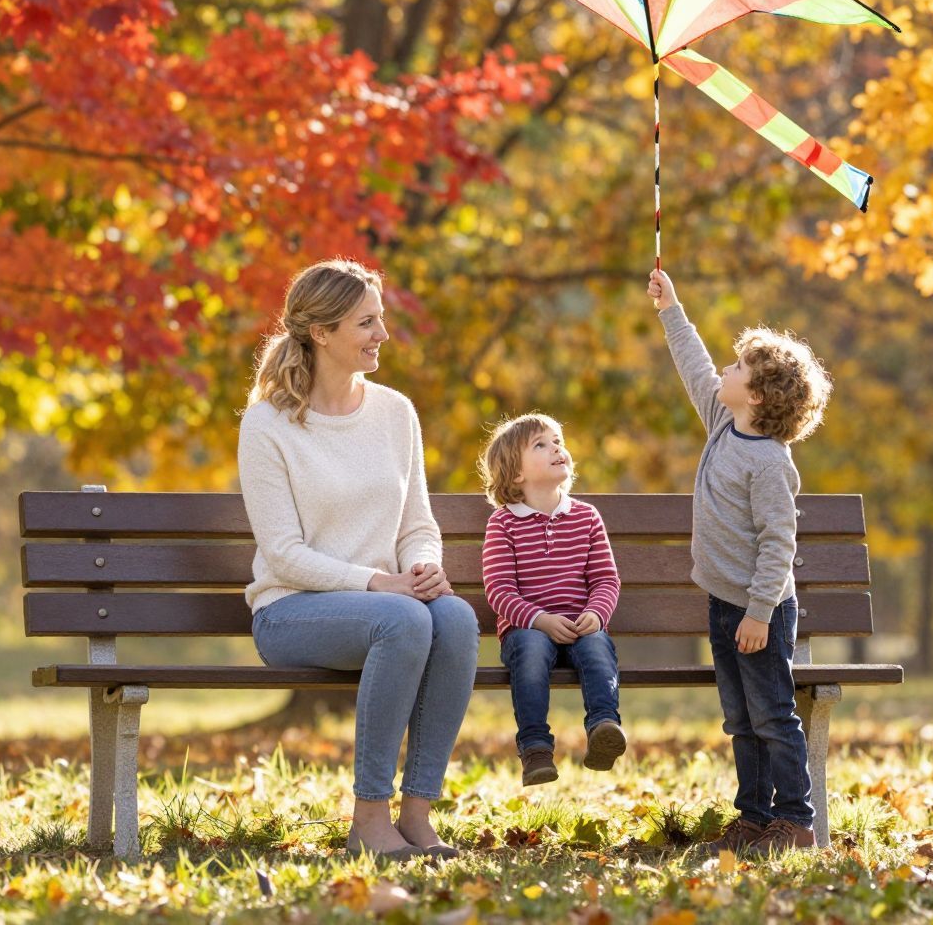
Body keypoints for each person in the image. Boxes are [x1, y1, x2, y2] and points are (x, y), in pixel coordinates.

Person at [238, 259, 477, 860]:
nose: (382, 335)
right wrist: (378, 583)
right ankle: (369, 817)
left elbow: (417, 524)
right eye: (366, 323)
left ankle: (417, 815)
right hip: (292, 612)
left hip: (389, 604)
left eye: (381, 319)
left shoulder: (396, 412)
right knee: (405, 618)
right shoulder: (268, 424)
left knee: (455, 618)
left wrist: (422, 566)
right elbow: (284, 555)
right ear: (321, 332)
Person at [647, 268, 834, 854]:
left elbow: (779, 545)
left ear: (755, 396)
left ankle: (795, 821)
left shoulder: (770, 464)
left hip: (761, 613)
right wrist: (671, 309)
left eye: (737, 367)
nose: (724, 372)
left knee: (773, 715)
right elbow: (693, 365)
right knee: (740, 719)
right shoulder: (722, 425)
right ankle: (753, 819)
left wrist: (758, 612)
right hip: (724, 604)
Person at [477, 413, 625, 787]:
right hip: (528, 629)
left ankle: (603, 727)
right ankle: (536, 748)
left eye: (557, 441)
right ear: (516, 475)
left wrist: (596, 613)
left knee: (597, 647)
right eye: (540, 445)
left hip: (579, 625)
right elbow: (499, 590)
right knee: (530, 651)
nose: (556, 448)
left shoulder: (586, 517)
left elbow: (605, 579)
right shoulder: (503, 523)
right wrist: (540, 620)